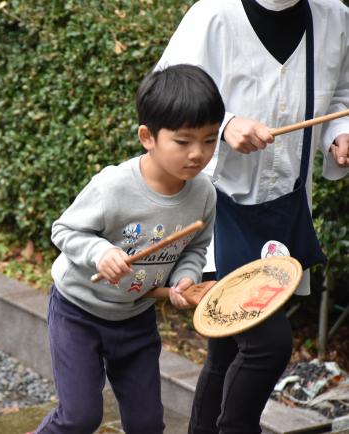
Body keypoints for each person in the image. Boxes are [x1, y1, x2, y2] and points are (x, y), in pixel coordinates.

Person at [156, 1, 349, 433]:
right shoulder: (213, 16)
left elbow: (342, 93)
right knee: (267, 344)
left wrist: (340, 134)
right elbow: (164, 95)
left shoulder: (334, 16)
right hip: (215, 210)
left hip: (286, 209)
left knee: (227, 350)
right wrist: (223, 125)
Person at [29, 64, 225, 434]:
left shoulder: (204, 194)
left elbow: (195, 250)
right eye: (183, 142)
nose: (198, 154)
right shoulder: (112, 187)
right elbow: (65, 230)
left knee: (148, 423)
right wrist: (100, 252)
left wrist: (185, 280)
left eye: (210, 139)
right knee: (80, 417)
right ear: (147, 136)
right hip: (78, 312)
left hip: (136, 317)